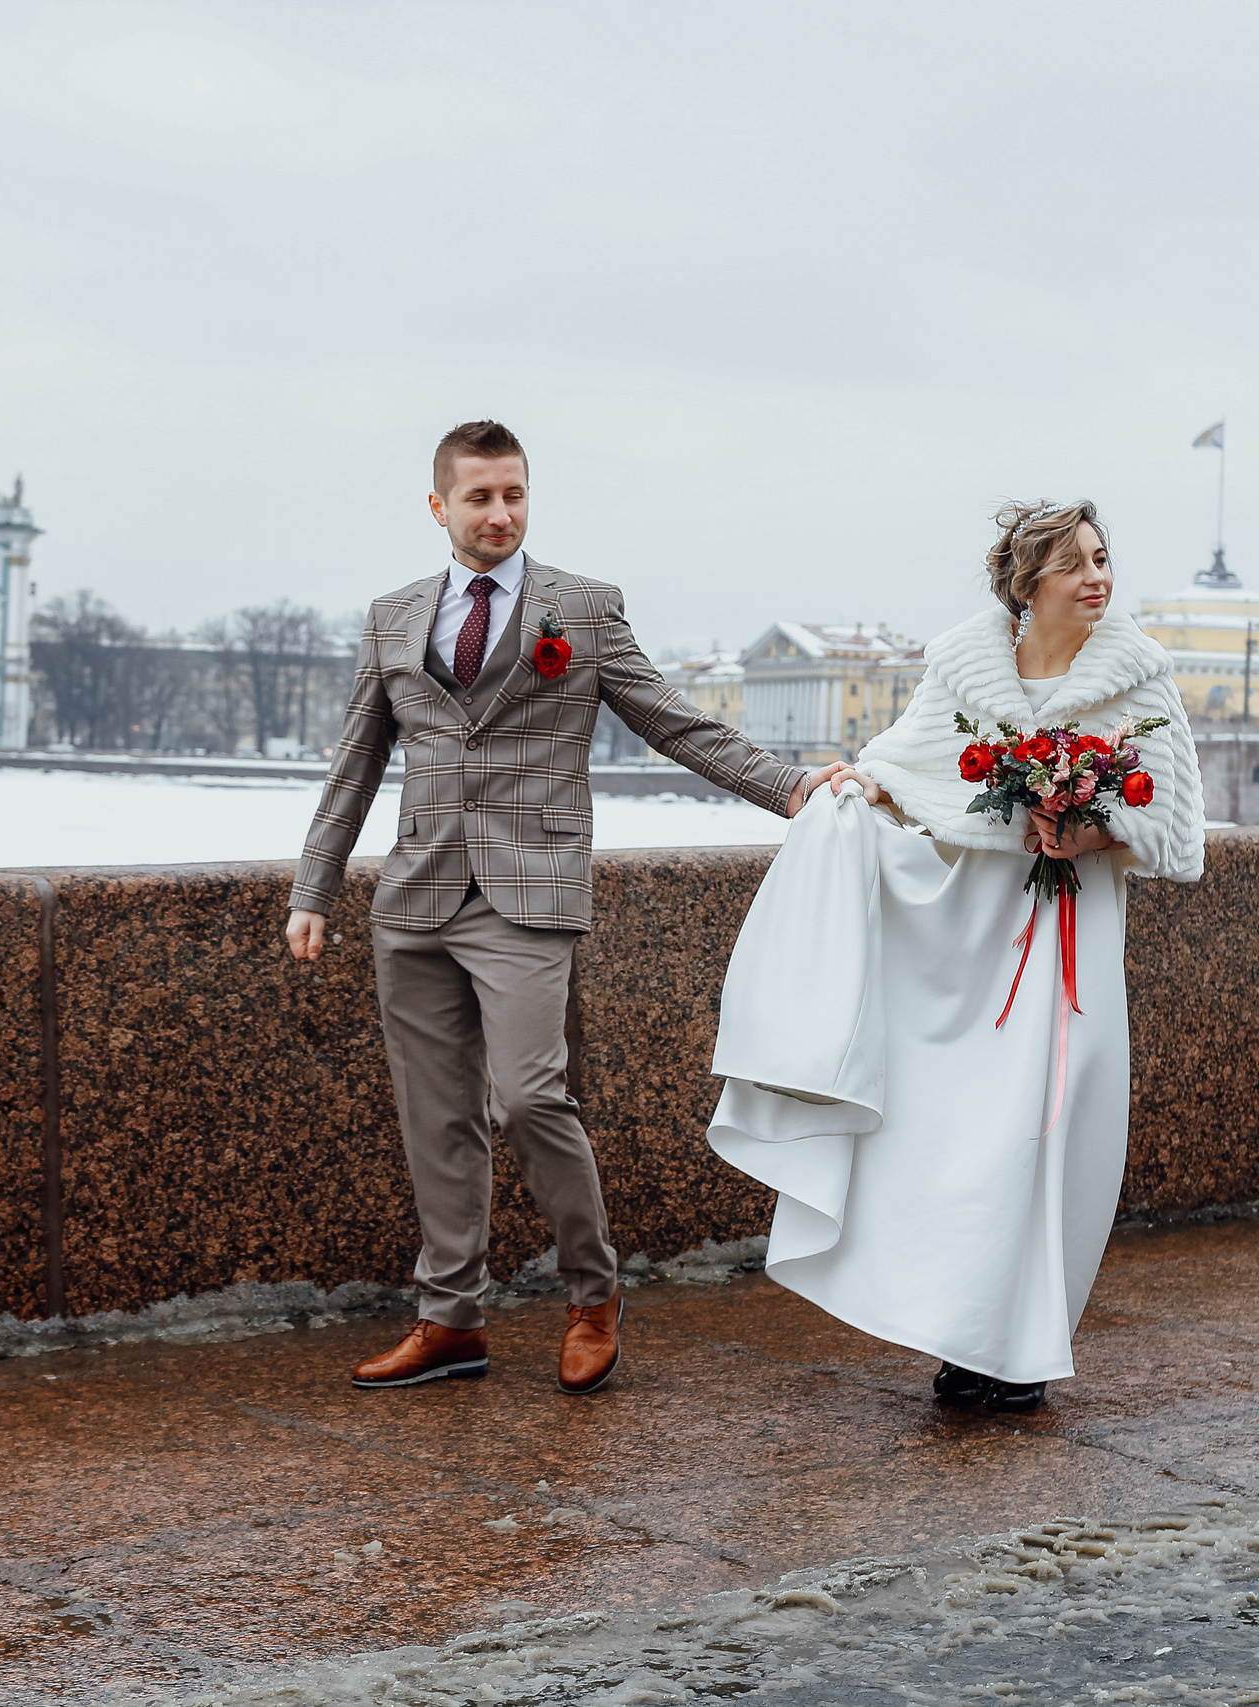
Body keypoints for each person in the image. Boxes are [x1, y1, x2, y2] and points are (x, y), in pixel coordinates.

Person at [286, 420, 846, 1395]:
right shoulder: (392, 617)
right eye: (479, 498)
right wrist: (313, 890)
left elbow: (671, 721)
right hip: (414, 895)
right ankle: (449, 1320)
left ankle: (593, 1295)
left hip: (526, 894)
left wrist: (790, 789)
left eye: (514, 494)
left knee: (529, 1095)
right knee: (435, 1115)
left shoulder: (579, 611)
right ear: (439, 508)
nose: (499, 513)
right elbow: (356, 763)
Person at [706, 501, 1204, 1412]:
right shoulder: (965, 669)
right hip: (974, 935)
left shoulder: (1141, 679)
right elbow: (906, 768)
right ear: (1029, 583)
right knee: (975, 1133)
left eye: (1103, 558)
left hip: (1075, 936)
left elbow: (1173, 825)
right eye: (1075, 564)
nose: (1097, 577)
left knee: (1057, 1123)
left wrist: (1091, 832)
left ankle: (1019, 1346)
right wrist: (861, 789)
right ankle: (969, 1333)